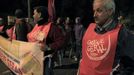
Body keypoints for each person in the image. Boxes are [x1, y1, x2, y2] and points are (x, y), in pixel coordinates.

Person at [77, 0, 134, 75]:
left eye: (99, 11)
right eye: (94, 11)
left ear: (110, 11)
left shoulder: (123, 34)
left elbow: (130, 67)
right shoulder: (88, 30)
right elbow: (84, 57)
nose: (94, 15)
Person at [27, 6, 65, 75]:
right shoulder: (36, 26)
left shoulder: (52, 27)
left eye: (34, 13)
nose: (32, 16)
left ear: (39, 14)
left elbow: (61, 41)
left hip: (46, 62)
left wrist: (48, 47)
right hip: (34, 60)